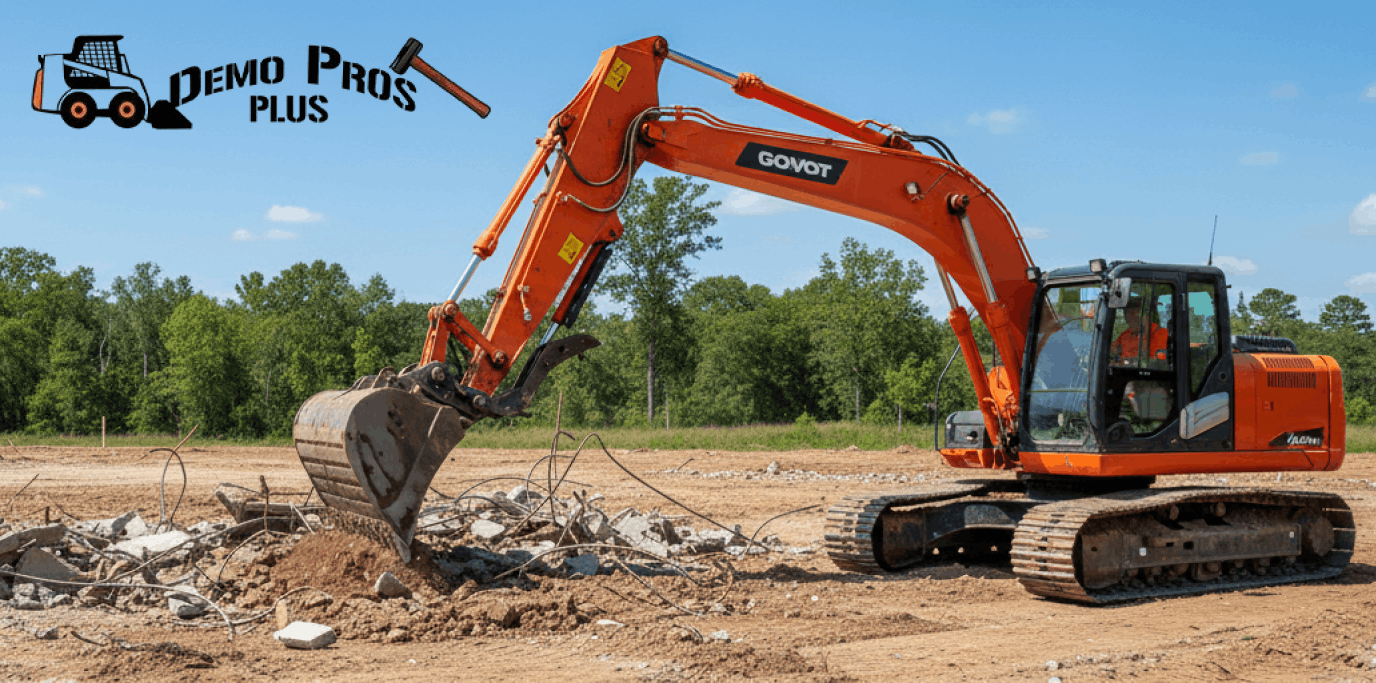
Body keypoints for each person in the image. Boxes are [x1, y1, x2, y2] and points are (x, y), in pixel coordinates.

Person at [1112, 299, 1168, 367]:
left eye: (1133, 313)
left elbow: (1157, 364)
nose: (1128, 318)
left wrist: (1125, 362)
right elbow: (1112, 350)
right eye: (1126, 313)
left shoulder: (1161, 333)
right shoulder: (1125, 334)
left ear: (1146, 316)